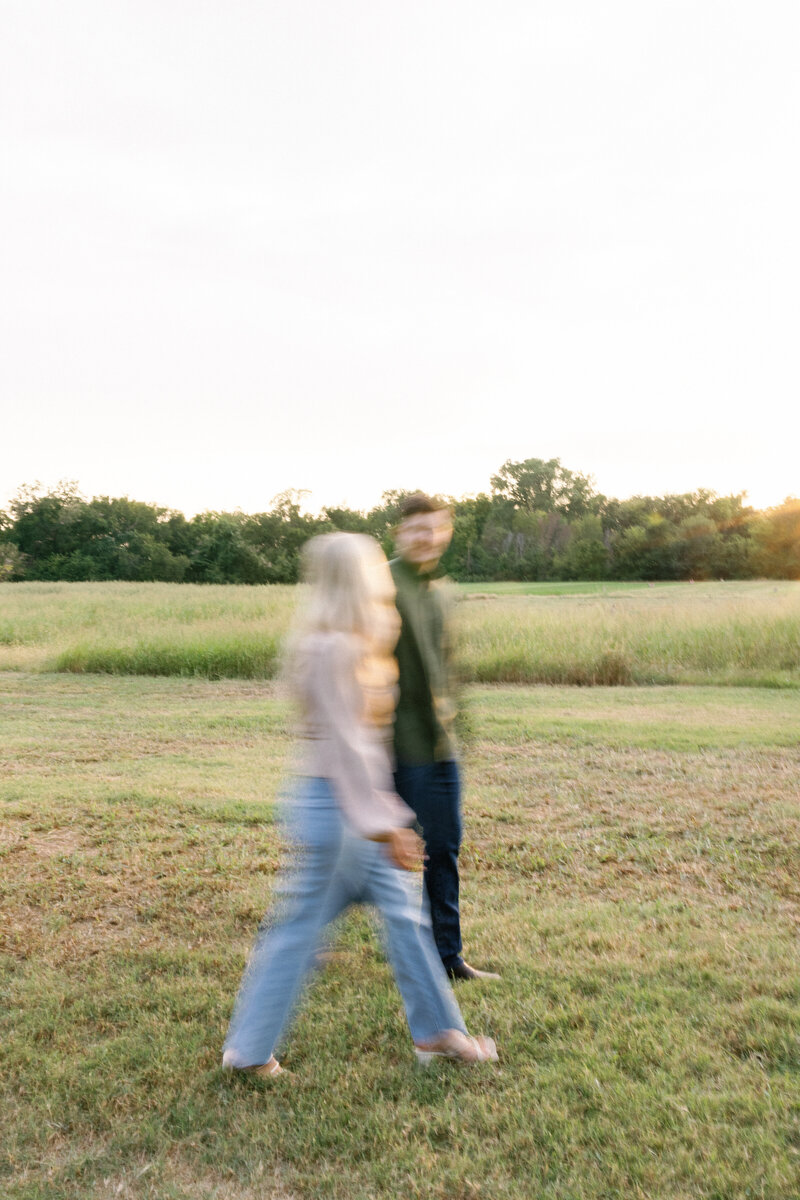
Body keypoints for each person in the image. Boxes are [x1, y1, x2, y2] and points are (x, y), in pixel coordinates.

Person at [222, 532, 498, 1078]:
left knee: (401, 917)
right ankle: (248, 1053)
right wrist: (386, 823)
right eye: (373, 568)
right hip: (340, 809)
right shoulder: (335, 650)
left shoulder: (340, 641)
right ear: (357, 578)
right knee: (299, 931)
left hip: (341, 804)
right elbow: (348, 749)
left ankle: (440, 1034)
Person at [391, 494, 500, 982]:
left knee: (443, 846)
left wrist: (462, 725)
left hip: (439, 744)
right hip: (395, 743)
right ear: (399, 532)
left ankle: (447, 956)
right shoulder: (381, 582)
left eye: (433, 527)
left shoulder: (441, 588)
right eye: (415, 527)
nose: (424, 536)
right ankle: (308, 937)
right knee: (370, 853)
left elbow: (447, 666)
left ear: (446, 532)